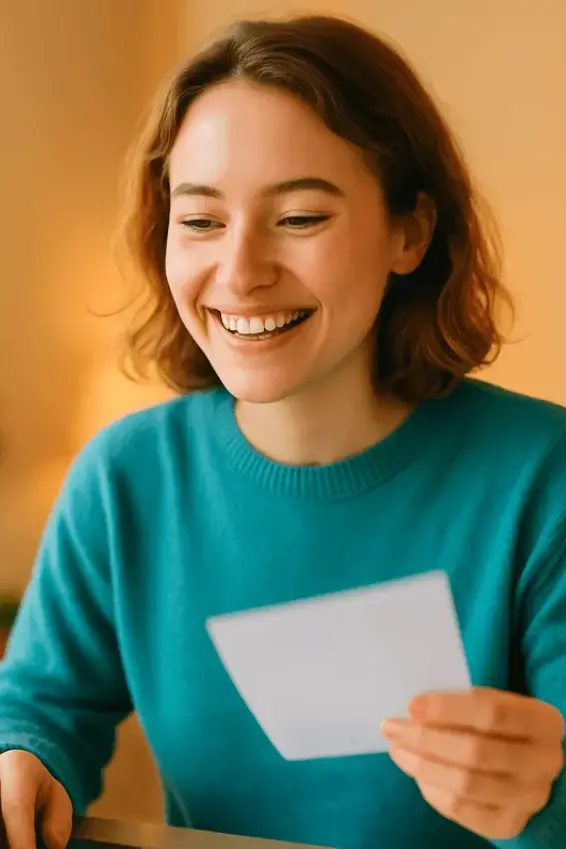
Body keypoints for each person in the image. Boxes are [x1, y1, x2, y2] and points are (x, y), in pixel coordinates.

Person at [0, 13, 565, 849]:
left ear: (410, 230)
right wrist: (24, 758)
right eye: (200, 221)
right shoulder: (125, 477)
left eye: (299, 218)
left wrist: (544, 801)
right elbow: (42, 706)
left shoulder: (540, 476)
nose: (240, 272)